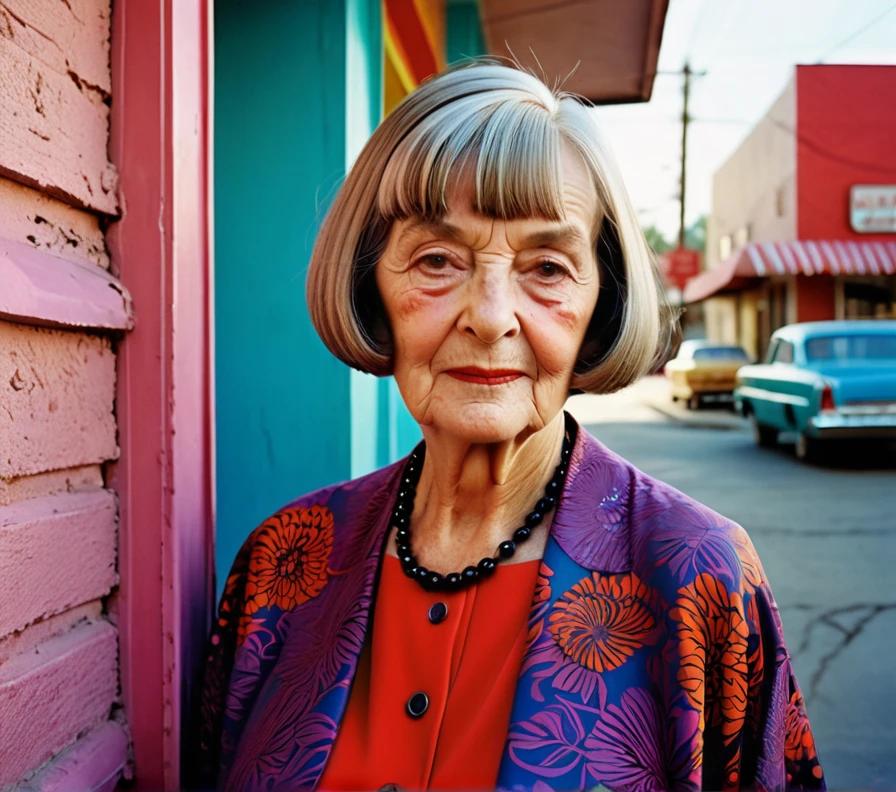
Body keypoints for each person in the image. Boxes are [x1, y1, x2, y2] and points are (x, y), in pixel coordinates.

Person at [196, 62, 825, 791]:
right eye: (437, 260)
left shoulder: (698, 576)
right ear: (372, 282)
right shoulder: (282, 564)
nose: (490, 316)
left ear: (603, 301)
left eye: (548, 268)